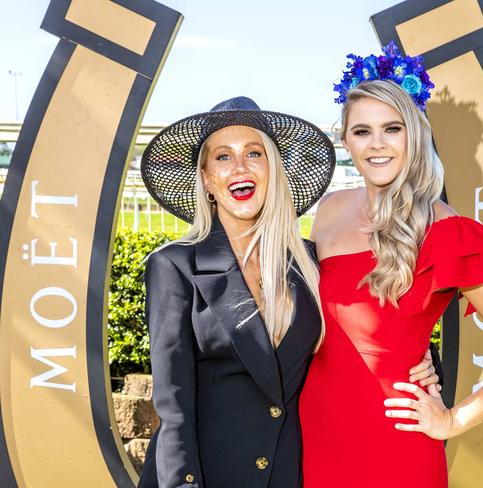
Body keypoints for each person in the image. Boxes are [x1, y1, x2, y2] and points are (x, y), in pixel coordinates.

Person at [137, 96, 440, 488]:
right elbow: (173, 406)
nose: (240, 167)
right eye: (223, 157)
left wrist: (426, 360)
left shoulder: (310, 263)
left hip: (293, 474)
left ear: (273, 169)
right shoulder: (175, 267)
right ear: (208, 179)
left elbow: (361, 326)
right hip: (206, 478)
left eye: (254, 152)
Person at [299, 42, 483, 487]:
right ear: (345, 140)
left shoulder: (449, 232)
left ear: (415, 135)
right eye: (362, 131)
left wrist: (454, 420)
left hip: (394, 441)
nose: (377, 144)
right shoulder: (328, 210)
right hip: (314, 432)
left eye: (393, 129)